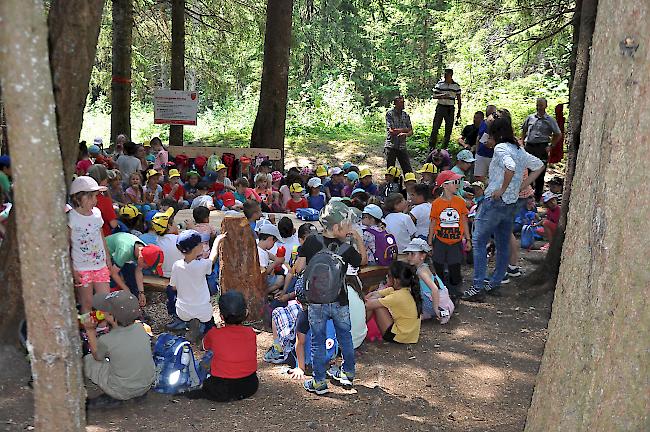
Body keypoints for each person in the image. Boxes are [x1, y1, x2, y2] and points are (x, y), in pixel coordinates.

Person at [462, 116, 545, 301]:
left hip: (494, 202)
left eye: (489, 134)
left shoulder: (501, 148)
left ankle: (478, 286)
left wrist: (503, 188)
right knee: (501, 242)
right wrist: (522, 186)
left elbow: (510, 166)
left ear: (496, 134)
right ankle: (495, 282)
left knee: (479, 241)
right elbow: (539, 165)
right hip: (511, 203)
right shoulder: (519, 149)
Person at [300, 201, 364, 395]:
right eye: (347, 226)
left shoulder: (311, 241)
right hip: (340, 300)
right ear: (336, 228)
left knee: (318, 342)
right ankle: (348, 373)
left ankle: (319, 381)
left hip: (316, 302)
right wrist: (358, 240)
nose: (350, 229)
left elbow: (298, 267)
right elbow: (362, 261)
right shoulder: (346, 248)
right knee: (345, 337)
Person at [82, 291, 155, 408]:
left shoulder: (107, 340)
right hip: (146, 385)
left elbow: (97, 356)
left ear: (111, 316)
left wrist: (90, 331)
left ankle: (115, 396)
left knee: (88, 360)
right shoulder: (141, 328)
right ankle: (137, 392)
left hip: (122, 390)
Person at [187, 291, 258, 402]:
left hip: (220, 389)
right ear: (246, 313)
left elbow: (204, 346)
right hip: (249, 386)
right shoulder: (251, 333)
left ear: (221, 316)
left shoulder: (214, 333)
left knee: (206, 364)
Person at [169, 230, 225, 343]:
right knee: (210, 324)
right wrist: (218, 241)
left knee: (184, 307)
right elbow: (213, 258)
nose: (203, 245)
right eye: (201, 243)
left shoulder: (177, 265)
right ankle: (207, 335)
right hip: (202, 310)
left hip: (183, 310)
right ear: (196, 248)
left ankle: (188, 324)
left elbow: (173, 287)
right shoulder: (201, 265)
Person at [68, 176, 112, 313]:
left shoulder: (97, 214)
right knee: (86, 302)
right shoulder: (71, 217)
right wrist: (72, 268)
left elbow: (101, 236)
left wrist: (108, 257)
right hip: (81, 267)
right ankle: (88, 330)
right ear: (78, 198)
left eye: (96, 196)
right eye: (92, 196)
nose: (96, 200)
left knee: (105, 299)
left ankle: (103, 326)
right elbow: (66, 245)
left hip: (100, 264)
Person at [428, 170, 471, 300]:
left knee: (455, 266)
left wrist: (468, 239)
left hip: (456, 241)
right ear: (445, 185)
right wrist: (430, 241)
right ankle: (441, 291)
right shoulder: (436, 203)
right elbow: (433, 222)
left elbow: (464, 220)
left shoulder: (460, 202)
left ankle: (455, 291)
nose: (458, 184)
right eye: (455, 182)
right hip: (440, 241)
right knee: (438, 266)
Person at [365, 261, 422, 344]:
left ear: (395, 281)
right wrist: (372, 296)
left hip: (400, 337)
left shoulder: (397, 296)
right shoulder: (406, 290)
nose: (386, 277)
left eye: (388, 275)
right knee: (375, 299)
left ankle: (358, 329)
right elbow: (376, 293)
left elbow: (367, 305)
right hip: (410, 336)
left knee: (377, 306)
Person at [404, 239, 454, 322]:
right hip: (445, 305)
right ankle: (427, 313)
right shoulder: (426, 266)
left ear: (422, 256)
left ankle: (431, 312)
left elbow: (434, 289)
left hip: (437, 305)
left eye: (412, 254)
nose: (409, 257)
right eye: (408, 254)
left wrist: (436, 308)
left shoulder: (421, 271)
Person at [521, 98, 562, 201]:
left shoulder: (550, 120)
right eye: (538, 105)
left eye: (541, 105)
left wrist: (551, 146)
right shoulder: (530, 118)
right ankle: (527, 196)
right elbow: (524, 130)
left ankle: (538, 198)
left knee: (540, 172)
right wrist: (523, 142)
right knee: (527, 172)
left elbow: (558, 134)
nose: (539, 107)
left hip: (541, 147)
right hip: (529, 147)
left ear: (546, 106)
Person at [429, 69, 462, 150]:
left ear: (451, 75)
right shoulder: (440, 84)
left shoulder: (456, 86)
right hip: (441, 107)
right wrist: (442, 95)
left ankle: (444, 148)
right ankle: (432, 146)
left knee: (448, 129)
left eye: (447, 75)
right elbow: (434, 96)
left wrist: (459, 111)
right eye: (444, 74)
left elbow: (459, 99)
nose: (445, 76)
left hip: (450, 108)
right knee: (435, 127)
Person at [87, 164, 119, 236]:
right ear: (103, 180)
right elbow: (113, 224)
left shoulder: (81, 197)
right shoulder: (104, 201)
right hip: (103, 237)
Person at [384, 95, 413, 173]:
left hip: (402, 146)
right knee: (391, 171)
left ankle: (410, 184)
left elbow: (411, 131)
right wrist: (405, 129)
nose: (403, 104)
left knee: (407, 169)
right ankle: (391, 184)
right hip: (391, 146)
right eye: (401, 102)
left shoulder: (406, 115)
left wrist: (406, 134)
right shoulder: (390, 114)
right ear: (396, 103)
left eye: (403, 102)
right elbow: (391, 131)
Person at [256, 223, 286, 297]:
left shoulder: (260, 248)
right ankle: (263, 293)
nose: (273, 245)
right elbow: (264, 273)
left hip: (264, 278)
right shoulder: (261, 254)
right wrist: (276, 262)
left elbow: (268, 254)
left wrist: (276, 258)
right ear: (270, 239)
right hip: (261, 279)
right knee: (281, 280)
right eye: (274, 242)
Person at [474, 105, 497, 182]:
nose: (490, 116)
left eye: (492, 113)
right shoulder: (483, 123)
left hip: (492, 156)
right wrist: (477, 152)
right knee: (478, 178)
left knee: (492, 178)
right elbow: (478, 137)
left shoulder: (498, 125)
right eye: (488, 113)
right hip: (481, 155)